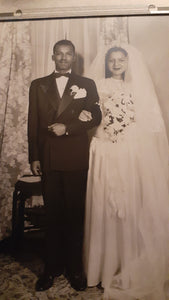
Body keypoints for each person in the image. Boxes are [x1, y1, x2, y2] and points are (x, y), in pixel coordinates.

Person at [84, 44, 169, 300]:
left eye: (122, 60)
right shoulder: (96, 85)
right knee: (103, 205)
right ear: (107, 63)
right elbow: (87, 116)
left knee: (129, 206)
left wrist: (127, 131)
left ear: (128, 63)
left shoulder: (137, 88)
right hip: (103, 149)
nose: (117, 64)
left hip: (128, 151)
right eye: (113, 60)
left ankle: (127, 267)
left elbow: (150, 122)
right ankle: (102, 268)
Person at [28, 39, 101, 292]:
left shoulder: (87, 84)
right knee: (53, 214)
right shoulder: (38, 85)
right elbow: (33, 123)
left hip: (74, 157)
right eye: (59, 54)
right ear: (52, 57)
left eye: (68, 54)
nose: (63, 58)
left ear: (73, 59)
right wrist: (34, 157)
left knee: (74, 214)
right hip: (48, 157)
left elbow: (96, 116)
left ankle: (75, 269)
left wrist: (67, 128)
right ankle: (52, 268)